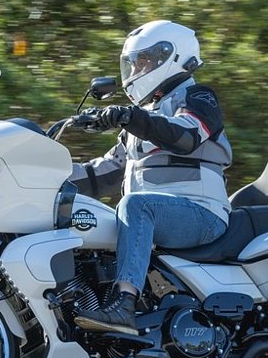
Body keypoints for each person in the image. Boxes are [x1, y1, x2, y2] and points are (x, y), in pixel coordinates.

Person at [69, 20, 232, 335]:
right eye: (133, 62)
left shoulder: (197, 97)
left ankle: (123, 305)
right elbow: (103, 174)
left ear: (171, 56)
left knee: (134, 205)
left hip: (202, 213)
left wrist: (131, 117)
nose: (136, 69)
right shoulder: (140, 124)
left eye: (144, 61)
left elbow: (186, 135)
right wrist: (46, 173)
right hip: (161, 217)